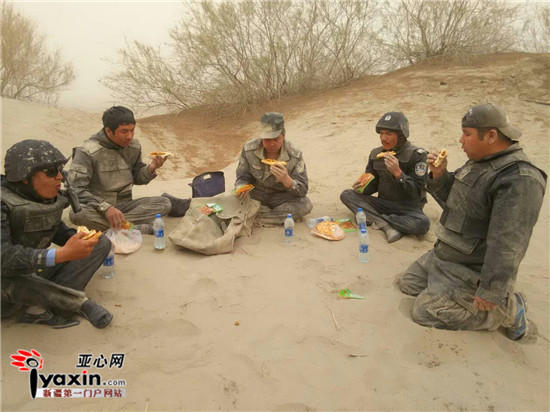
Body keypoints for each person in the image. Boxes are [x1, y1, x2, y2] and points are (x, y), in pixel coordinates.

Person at [398, 103, 546, 340]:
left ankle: (507, 309)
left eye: (466, 134)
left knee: (424, 312)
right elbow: (456, 204)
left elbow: (508, 243)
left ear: (491, 136)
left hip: (469, 268)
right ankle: (450, 292)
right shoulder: (479, 162)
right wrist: (440, 175)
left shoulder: (519, 179)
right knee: (407, 283)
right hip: (444, 256)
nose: (460, 140)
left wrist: (492, 290)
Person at [1, 140, 113, 329]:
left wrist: (79, 241)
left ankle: (50, 301)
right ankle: (76, 302)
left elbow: (54, 230)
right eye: (51, 172)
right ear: (24, 177)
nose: (60, 177)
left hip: (31, 271)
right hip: (6, 283)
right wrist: (59, 255)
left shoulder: (40, 197)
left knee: (100, 242)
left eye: (60, 169)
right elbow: (3, 256)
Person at [68, 106, 190, 233]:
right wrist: (106, 208)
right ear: (109, 131)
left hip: (125, 206)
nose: (129, 136)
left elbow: (137, 177)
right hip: (97, 207)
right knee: (78, 214)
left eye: (132, 131)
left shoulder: (133, 146)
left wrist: (151, 168)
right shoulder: (86, 151)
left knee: (164, 203)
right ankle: (133, 227)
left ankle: (121, 227)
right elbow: (76, 190)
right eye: (124, 131)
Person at [340, 111, 430, 243]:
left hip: (407, 208)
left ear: (401, 135)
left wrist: (398, 174)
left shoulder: (417, 156)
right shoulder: (376, 154)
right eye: (381, 133)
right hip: (383, 203)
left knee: (422, 223)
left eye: (389, 134)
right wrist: (362, 187)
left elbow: (417, 192)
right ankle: (387, 225)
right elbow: (372, 186)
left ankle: (376, 219)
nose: (383, 138)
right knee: (347, 195)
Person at [235, 112, 313, 224]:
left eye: (276, 139)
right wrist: (241, 186)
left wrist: (287, 180)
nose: (271, 144)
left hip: (282, 197)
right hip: (257, 194)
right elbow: (242, 176)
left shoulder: (295, 154)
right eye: (267, 139)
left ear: (283, 135)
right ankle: (274, 218)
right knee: (233, 200)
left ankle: (257, 217)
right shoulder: (249, 149)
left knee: (305, 205)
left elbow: (303, 190)